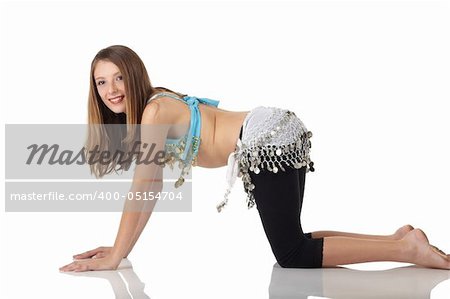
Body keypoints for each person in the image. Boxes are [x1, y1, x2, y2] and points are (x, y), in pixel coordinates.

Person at [59, 45, 449, 272]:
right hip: (277, 127)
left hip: (265, 136)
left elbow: (142, 187)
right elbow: (153, 185)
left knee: (291, 254)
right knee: (294, 240)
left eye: (119, 77)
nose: (111, 88)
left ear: (135, 75)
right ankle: (399, 239)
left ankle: (405, 251)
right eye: (101, 81)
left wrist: (115, 255)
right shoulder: (155, 107)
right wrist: (120, 250)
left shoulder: (154, 112)